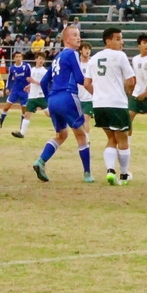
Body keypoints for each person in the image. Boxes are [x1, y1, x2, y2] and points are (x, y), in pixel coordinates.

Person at [31, 26, 92, 183]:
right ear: (66, 39)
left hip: (53, 99)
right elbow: (79, 78)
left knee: (61, 135)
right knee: (81, 136)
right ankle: (87, 174)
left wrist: (48, 101)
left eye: (79, 35)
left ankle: (40, 161)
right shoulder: (72, 53)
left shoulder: (58, 57)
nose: (78, 38)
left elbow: (44, 81)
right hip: (67, 96)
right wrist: (93, 84)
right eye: (74, 35)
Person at [83, 28, 135, 186]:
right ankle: (124, 174)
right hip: (116, 103)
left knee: (111, 138)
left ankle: (111, 170)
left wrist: (98, 94)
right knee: (123, 138)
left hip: (99, 105)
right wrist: (128, 93)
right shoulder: (120, 56)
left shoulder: (94, 59)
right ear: (108, 41)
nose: (121, 42)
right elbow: (131, 80)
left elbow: (86, 83)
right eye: (118, 39)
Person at [11, 52, 51, 138]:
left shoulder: (45, 71)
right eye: (39, 58)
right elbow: (32, 82)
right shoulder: (32, 70)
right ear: (36, 59)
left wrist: (33, 82)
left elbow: (44, 84)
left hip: (41, 96)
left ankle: (62, 122)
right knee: (27, 114)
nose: (41, 60)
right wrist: (29, 86)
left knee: (49, 114)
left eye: (43, 59)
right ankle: (22, 133)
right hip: (32, 96)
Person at [0, 51, 30, 129]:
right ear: (14, 58)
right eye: (17, 57)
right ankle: (0, 122)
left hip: (24, 91)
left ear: (22, 58)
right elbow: (9, 78)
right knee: (6, 107)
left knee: (24, 110)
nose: (18, 58)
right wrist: (7, 88)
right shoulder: (12, 68)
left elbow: (31, 76)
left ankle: (21, 128)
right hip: (15, 90)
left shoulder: (26, 66)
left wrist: (30, 86)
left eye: (20, 57)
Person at [78, 43, 94, 140]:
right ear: (80, 50)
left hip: (88, 97)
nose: (87, 51)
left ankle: (86, 141)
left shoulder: (92, 64)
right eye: (85, 49)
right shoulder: (76, 64)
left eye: (89, 49)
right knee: (78, 122)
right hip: (77, 96)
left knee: (86, 119)